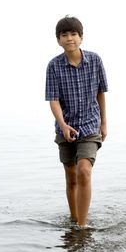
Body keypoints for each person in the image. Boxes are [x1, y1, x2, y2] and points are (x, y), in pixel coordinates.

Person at [45, 16, 108, 229]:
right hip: (66, 127)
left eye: (74, 34)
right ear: (58, 40)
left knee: (84, 170)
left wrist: (104, 123)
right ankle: (73, 220)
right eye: (65, 35)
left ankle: (82, 227)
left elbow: (100, 93)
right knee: (71, 176)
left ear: (81, 37)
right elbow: (53, 99)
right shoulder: (53, 66)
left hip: (90, 125)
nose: (69, 38)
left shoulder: (95, 60)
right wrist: (62, 125)